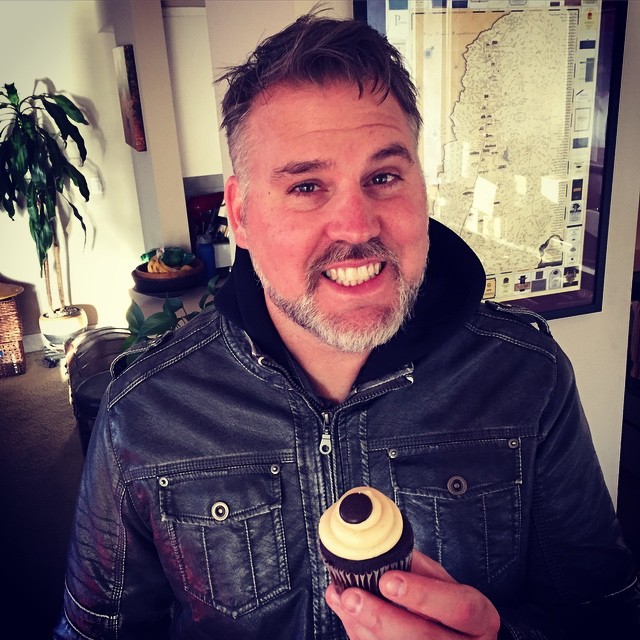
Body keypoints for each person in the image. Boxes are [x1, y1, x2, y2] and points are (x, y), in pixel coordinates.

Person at [54, 11, 640, 640]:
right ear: (241, 215)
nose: (358, 227)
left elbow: (604, 614)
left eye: (383, 177)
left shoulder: (526, 377)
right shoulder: (144, 411)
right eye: (307, 186)